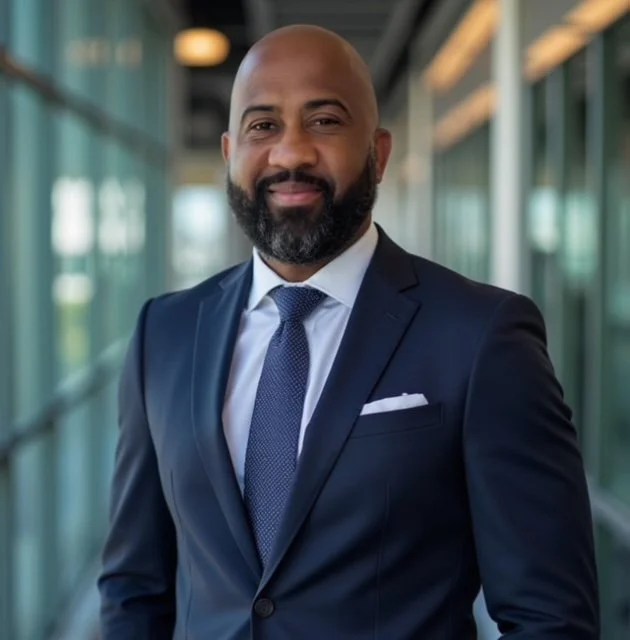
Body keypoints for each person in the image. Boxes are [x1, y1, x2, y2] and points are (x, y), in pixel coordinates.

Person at [98, 24, 600, 640]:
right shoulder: (164, 334)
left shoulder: (481, 336)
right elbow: (133, 588)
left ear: (379, 153)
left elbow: (551, 618)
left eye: (326, 121)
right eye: (263, 126)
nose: (290, 154)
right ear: (229, 152)